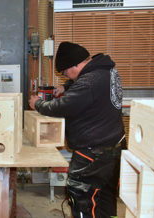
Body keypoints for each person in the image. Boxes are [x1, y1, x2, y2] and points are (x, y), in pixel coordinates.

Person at [28, 41, 125, 218]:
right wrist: (65, 86)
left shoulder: (88, 82)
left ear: (75, 65)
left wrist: (38, 104)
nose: (67, 76)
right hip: (113, 147)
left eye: (65, 72)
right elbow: (87, 88)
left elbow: (61, 107)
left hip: (93, 153)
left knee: (82, 197)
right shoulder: (107, 71)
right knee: (105, 196)